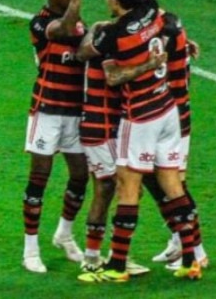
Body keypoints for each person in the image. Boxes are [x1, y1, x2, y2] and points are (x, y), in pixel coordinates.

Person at [75, 0, 202, 283]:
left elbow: (106, 71)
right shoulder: (151, 6)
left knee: (127, 189)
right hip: (168, 110)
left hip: (141, 116)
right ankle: (191, 259)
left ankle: (117, 266)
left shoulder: (114, 35)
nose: (106, 0)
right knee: (172, 186)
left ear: (116, 0)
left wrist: (142, 64)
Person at [78, 20, 165, 278]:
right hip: (99, 126)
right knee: (112, 188)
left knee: (119, 189)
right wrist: (148, 65)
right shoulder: (109, 45)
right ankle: (95, 258)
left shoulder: (105, 39)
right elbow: (113, 78)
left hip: (110, 126)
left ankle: (114, 256)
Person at [22, 0, 89, 273]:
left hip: (75, 112)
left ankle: (64, 233)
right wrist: (78, 0)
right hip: (47, 110)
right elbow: (62, 31)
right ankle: (30, 249)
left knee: (80, 175)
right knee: (39, 178)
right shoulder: (40, 22)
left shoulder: (80, 23)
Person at [145, 11, 209, 270]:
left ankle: (197, 250)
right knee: (150, 177)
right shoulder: (172, 30)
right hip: (160, 118)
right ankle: (177, 238)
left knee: (175, 185)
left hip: (174, 120)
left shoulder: (167, 35)